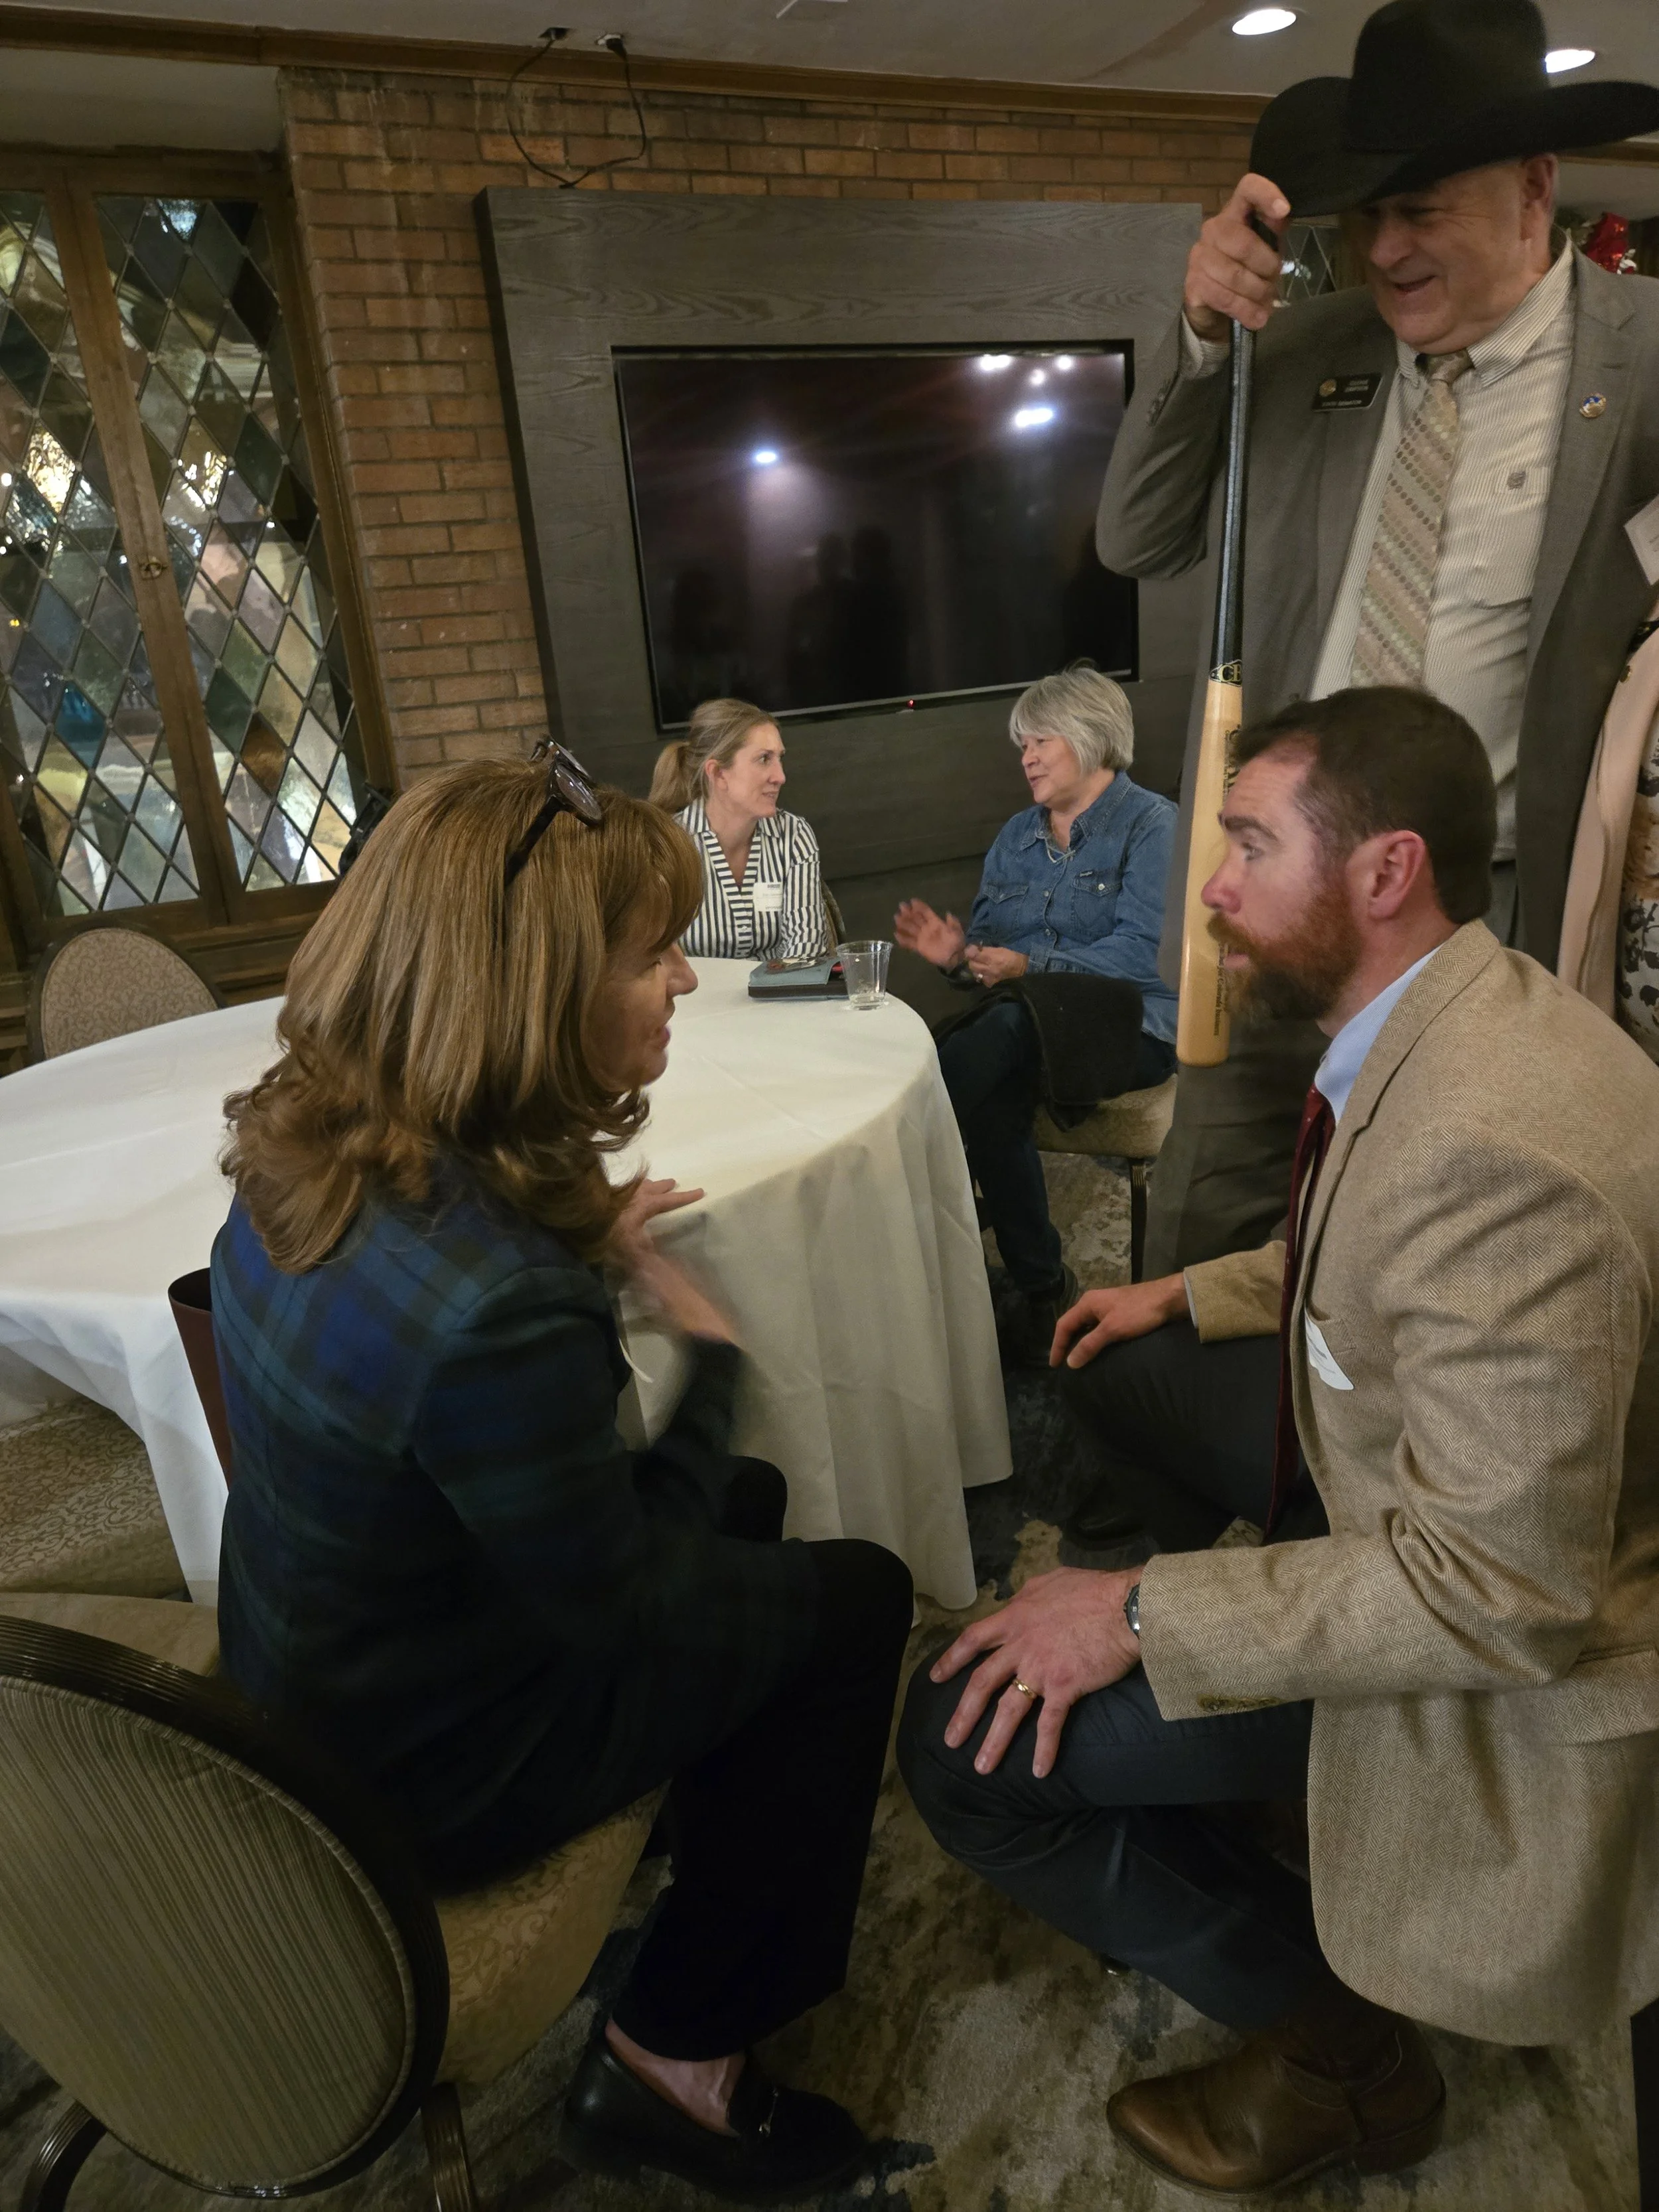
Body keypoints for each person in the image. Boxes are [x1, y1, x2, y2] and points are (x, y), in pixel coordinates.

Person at [899, 686, 1659, 2197]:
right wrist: (1183, 1286)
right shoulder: (1459, 1012)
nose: (1215, 886)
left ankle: (1346, 2058)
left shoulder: (1496, 1147)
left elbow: (1498, 1593)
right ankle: (1237, 1777)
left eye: (1247, 843)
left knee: (959, 1740)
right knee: (1118, 1372)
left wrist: (1131, 1614)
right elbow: (1377, 1251)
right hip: (1417, 1533)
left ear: (1383, 871)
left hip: (1513, 1675)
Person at [212, 755, 912, 2203]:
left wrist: (571, 1230)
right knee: (856, 1596)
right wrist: (708, 1352)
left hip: (309, 1689)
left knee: (745, 1509)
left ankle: (697, 1860)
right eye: (653, 954)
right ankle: (673, 2057)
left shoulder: (308, 1149)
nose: (685, 985)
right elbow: (621, 1599)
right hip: (423, 1776)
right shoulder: (494, 1306)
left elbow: (440, 1322)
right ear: (532, 994)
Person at [1096, 0, 1659, 1278]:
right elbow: (1136, 537)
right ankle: (1181, 1466)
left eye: (1421, 209)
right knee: (1208, 1215)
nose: (1384, 249)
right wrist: (1197, 335)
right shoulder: (1300, 353)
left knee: (1449, 1237)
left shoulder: (1646, 365)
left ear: (1535, 190)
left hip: (1489, 915)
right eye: (1363, 214)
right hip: (1279, 892)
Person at [894, 668, 1175, 1364]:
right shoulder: (1016, 836)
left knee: (1008, 1030)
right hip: (1022, 1024)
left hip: (1129, 1027)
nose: (1026, 757)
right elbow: (990, 964)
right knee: (998, 1077)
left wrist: (1027, 969)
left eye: (1039, 740)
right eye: (1022, 744)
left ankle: (902, 1168)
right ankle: (1043, 1287)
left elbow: (1144, 956)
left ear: (1089, 737)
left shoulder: (1152, 825)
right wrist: (959, 957)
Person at [650, 697, 827, 962]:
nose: (780, 776)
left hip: (780, 999)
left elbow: (806, 951)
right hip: (695, 1001)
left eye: (780, 758)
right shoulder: (667, 845)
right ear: (719, 773)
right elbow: (655, 962)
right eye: (764, 759)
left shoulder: (793, 835)